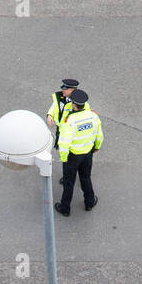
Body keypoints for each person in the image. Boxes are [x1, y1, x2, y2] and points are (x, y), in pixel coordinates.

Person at [54, 88, 102, 216]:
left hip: (72, 156)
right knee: (85, 178)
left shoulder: (69, 121)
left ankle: (65, 208)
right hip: (87, 154)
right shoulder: (93, 116)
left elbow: (64, 143)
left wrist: (64, 158)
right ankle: (90, 202)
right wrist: (97, 147)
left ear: (74, 105)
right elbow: (99, 135)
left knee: (69, 182)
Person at [48, 79, 88, 149]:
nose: (62, 90)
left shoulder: (81, 104)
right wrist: (50, 114)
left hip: (72, 134)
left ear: (72, 90)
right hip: (61, 130)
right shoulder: (61, 98)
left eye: (65, 89)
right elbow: (55, 105)